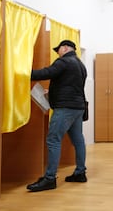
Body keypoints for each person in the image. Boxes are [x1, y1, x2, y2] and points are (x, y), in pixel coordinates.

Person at [27, 40, 88, 192]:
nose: (58, 53)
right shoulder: (80, 64)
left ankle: (49, 178)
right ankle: (80, 172)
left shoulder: (65, 61)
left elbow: (48, 72)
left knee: (53, 139)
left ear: (65, 48)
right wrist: (52, 92)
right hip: (78, 107)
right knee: (78, 140)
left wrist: (26, 73)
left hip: (65, 107)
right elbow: (70, 84)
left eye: (58, 50)